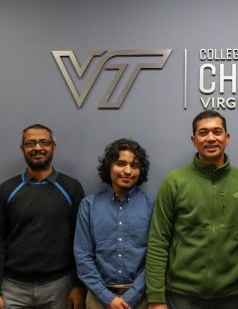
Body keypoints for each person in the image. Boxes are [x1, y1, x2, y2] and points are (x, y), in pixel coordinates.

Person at [146, 110, 238, 309]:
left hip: (232, 297)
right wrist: (156, 299)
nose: (211, 138)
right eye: (203, 132)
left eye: (217, 132)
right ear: (193, 140)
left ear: (227, 138)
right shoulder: (174, 182)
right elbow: (159, 241)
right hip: (181, 296)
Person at [0, 124, 86, 309]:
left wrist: (78, 285)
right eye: (31, 143)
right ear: (22, 149)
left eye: (44, 142)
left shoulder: (71, 188)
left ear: (53, 147)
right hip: (12, 288)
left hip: (59, 286)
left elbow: (80, 241)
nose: (38, 148)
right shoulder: (7, 189)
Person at [74, 138, 154, 309]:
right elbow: (83, 256)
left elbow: (156, 257)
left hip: (141, 299)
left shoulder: (152, 205)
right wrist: (107, 298)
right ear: (109, 167)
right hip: (98, 299)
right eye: (120, 163)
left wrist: (131, 296)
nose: (127, 171)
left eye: (134, 165)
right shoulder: (89, 205)